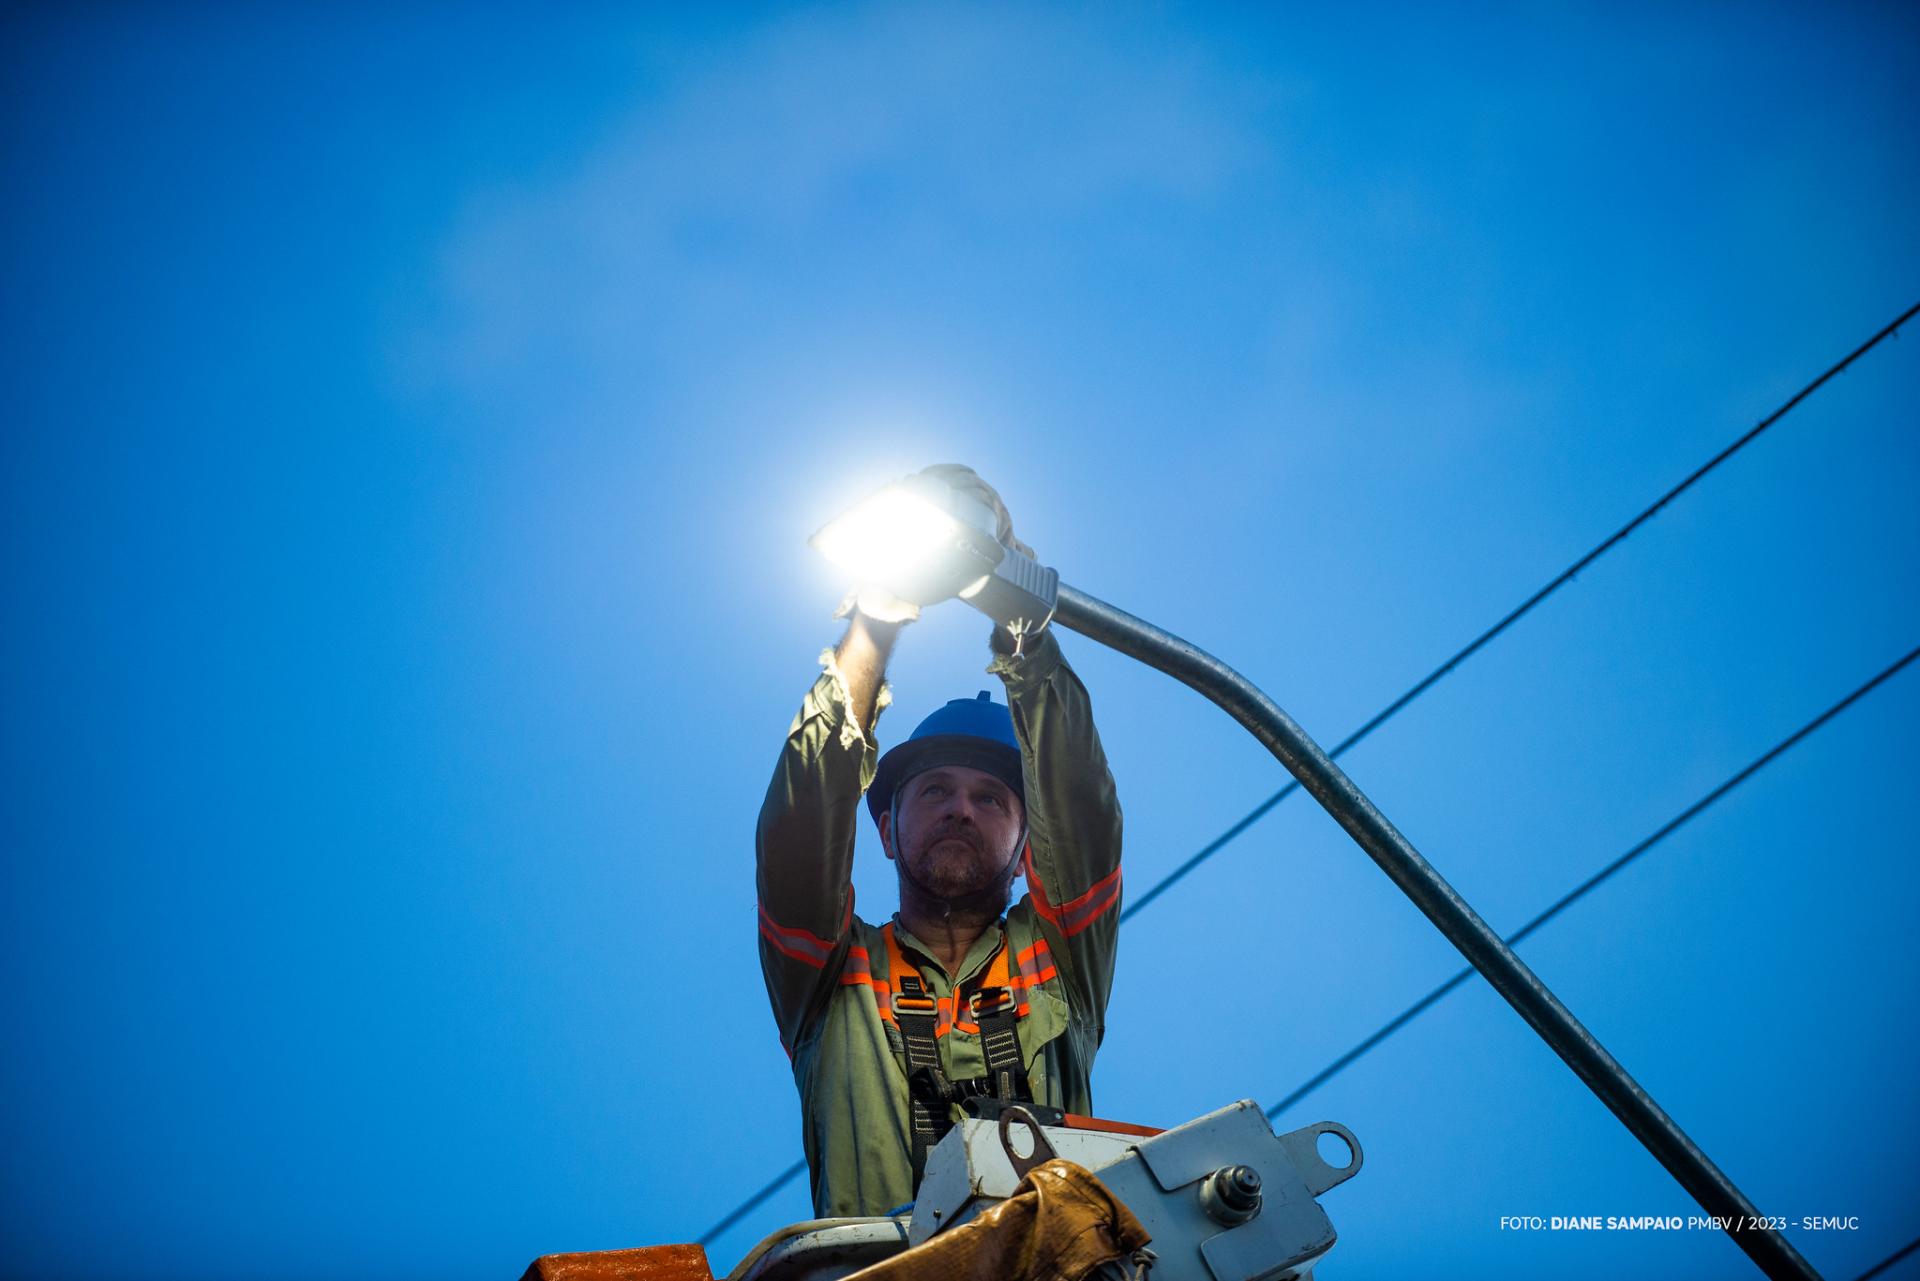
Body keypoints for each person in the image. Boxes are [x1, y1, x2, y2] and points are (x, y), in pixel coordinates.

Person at [756, 465, 1124, 1219]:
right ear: (885, 830)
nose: (961, 808)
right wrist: (874, 621)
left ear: (1029, 848)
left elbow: (1081, 803)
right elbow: (801, 823)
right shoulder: (832, 978)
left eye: (992, 797)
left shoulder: (1059, 960)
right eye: (933, 791)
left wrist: (1023, 629)